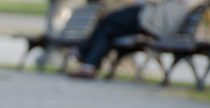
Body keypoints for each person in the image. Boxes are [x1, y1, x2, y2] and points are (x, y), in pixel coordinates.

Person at [68, 0, 208, 78]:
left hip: (151, 21)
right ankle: (88, 64)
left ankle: (82, 52)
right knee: (109, 28)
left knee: (109, 20)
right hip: (153, 21)